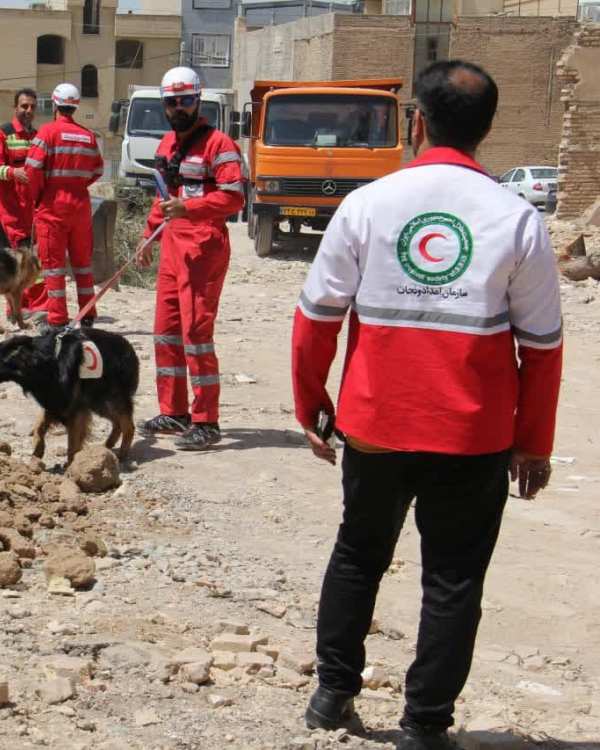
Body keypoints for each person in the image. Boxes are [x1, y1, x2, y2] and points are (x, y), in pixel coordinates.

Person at [292, 60, 563, 750]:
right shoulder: (516, 218)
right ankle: (423, 726)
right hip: (471, 436)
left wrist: (310, 405)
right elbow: (541, 347)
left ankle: (331, 695)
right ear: (489, 129)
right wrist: (532, 442)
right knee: (452, 579)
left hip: (375, 426)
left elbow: (315, 319)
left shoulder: (366, 205)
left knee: (358, 554)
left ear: (417, 123)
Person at [134, 67, 245, 451]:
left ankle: (206, 420)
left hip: (204, 247)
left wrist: (191, 207)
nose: (177, 107)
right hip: (172, 248)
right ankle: (174, 411)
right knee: (165, 332)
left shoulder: (219, 144)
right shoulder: (166, 144)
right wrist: (148, 237)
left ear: (197, 100)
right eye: (171, 102)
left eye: (184, 100)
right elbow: (163, 197)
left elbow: (235, 197)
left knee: (196, 335)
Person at [25, 82, 104, 333]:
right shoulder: (88, 136)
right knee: (82, 263)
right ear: (75, 106)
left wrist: (37, 197)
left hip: (53, 204)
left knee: (53, 265)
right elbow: (98, 170)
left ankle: (57, 318)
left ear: (55, 105)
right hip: (81, 204)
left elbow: (32, 170)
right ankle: (88, 313)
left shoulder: (47, 132)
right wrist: (78, 185)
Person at [0, 88, 46, 322]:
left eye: (32, 106)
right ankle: (33, 307)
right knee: (26, 257)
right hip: (13, 208)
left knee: (31, 257)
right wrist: (12, 172)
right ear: (15, 108)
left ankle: (21, 307)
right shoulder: (3, 134)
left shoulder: (38, 136)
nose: (28, 110)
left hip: (34, 208)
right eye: (24, 106)